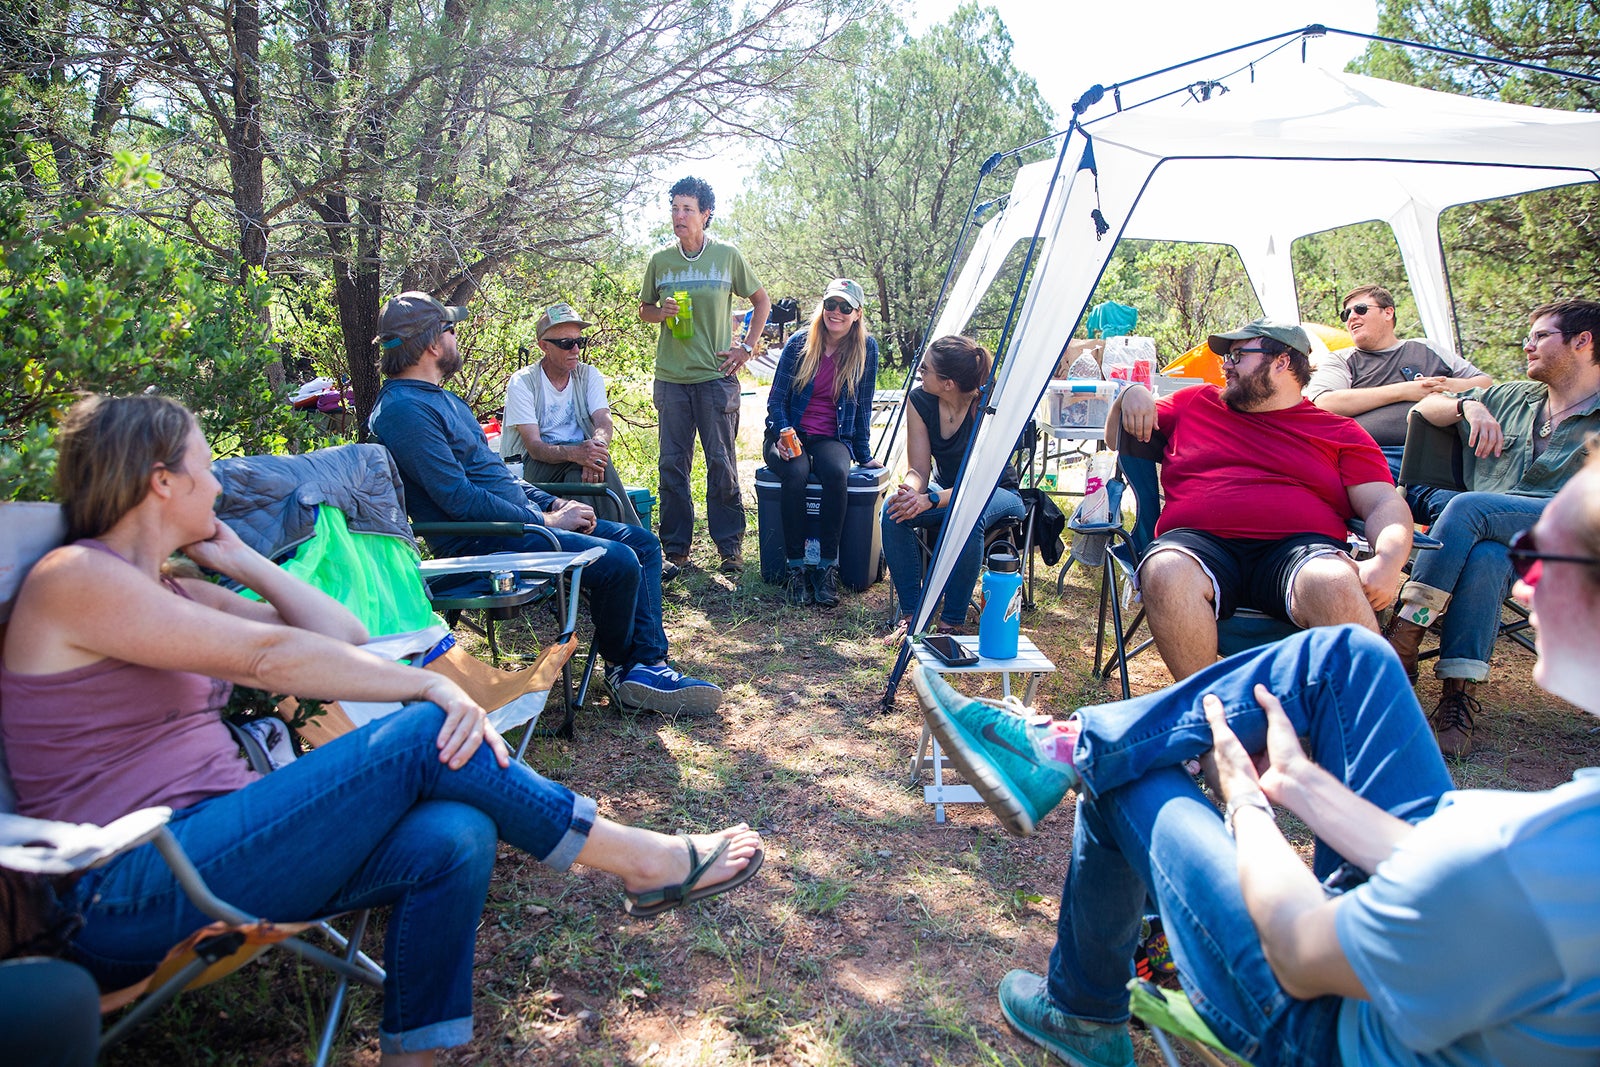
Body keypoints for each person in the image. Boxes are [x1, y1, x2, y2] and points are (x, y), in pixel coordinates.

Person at [0, 394, 764, 1066]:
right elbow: (271, 655)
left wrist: (242, 558)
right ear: (161, 481)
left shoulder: (177, 585)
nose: (221, 484)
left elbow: (342, 632)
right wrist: (428, 681)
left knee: (456, 833)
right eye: (207, 468)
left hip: (221, 854)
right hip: (128, 889)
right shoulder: (78, 578)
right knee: (424, 728)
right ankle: (638, 858)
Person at [911, 450, 1600, 1067]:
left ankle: (1083, 1003)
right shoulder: (1563, 836)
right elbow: (1457, 879)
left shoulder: (1557, 857)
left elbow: (1302, 955)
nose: (1523, 586)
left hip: (1329, 1027)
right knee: (1351, 657)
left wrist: (1246, 804)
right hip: (1417, 951)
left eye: (1539, 557)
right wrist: (1305, 784)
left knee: (1133, 773)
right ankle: (1068, 748)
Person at [367, 290, 721, 716]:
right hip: (482, 543)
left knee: (642, 544)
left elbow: (498, 479)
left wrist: (552, 501)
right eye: (451, 329)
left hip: (515, 526)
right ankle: (630, 668)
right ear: (431, 343)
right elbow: (457, 499)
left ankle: (645, 664)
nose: (457, 336)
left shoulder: (438, 398)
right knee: (620, 561)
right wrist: (547, 520)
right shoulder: (404, 410)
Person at [1107, 319, 1413, 680]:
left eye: (1238, 355)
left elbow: (1383, 504)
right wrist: (1130, 396)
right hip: (1197, 544)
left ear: (1282, 362)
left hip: (1299, 551)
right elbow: (1116, 438)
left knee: (1335, 580)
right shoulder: (1195, 403)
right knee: (1164, 570)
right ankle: (1212, 719)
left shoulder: (1340, 432)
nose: (1226, 365)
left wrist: (1389, 561)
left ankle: (1367, 727)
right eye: (1227, 357)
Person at [1384, 298, 1600, 756]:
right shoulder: (1511, 397)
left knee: (1469, 509)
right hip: (1496, 540)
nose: (1528, 346)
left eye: (1542, 336)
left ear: (1583, 342)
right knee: (1485, 556)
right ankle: (1457, 698)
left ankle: (1404, 636)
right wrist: (1470, 409)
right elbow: (1425, 410)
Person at [638, 176, 771, 575]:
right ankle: (676, 549)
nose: (679, 216)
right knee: (672, 464)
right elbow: (644, 308)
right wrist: (659, 313)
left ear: (705, 214)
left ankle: (729, 548)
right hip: (672, 378)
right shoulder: (660, 260)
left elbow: (761, 301)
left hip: (716, 376)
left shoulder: (727, 256)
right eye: (675, 208)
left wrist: (746, 347)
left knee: (721, 462)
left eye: (688, 209)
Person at [881, 335, 1025, 640]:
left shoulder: (987, 406)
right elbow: (918, 469)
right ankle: (913, 616)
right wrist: (910, 492)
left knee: (966, 514)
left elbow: (979, 484)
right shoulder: (920, 400)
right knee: (892, 510)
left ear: (948, 383)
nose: (919, 372)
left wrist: (930, 500)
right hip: (946, 489)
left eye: (926, 369)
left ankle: (952, 622)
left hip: (998, 491)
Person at [1306, 285, 1492, 521]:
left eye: (1360, 309)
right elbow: (1324, 403)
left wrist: (1441, 386)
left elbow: (1486, 383)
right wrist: (1405, 391)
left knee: (1484, 511)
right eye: (1346, 314)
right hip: (1379, 457)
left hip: (1450, 455)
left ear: (1388, 312)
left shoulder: (1426, 348)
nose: (1351, 317)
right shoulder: (1344, 360)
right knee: (1455, 509)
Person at [763, 279, 881, 607]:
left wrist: (864, 454)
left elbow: (863, 406)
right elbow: (776, 401)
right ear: (823, 307)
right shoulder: (801, 342)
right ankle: (796, 567)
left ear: (857, 313)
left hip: (832, 437)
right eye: (831, 305)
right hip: (788, 433)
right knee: (796, 471)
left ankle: (827, 566)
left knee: (836, 473)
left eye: (845, 307)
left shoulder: (866, 349)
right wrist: (785, 434)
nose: (836, 312)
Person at [500, 302, 641, 527]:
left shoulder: (587, 374)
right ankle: (636, 539)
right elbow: (535, 448)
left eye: (580, 342)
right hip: (532, 468)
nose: (575, 350)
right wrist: (576, 453)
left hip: (578, 461)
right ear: (544, 346)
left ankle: (596, 547)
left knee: (579, 475)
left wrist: (595, 450)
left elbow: (604, 420)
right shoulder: (523, 381)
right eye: (566, 343)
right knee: (588, 465)